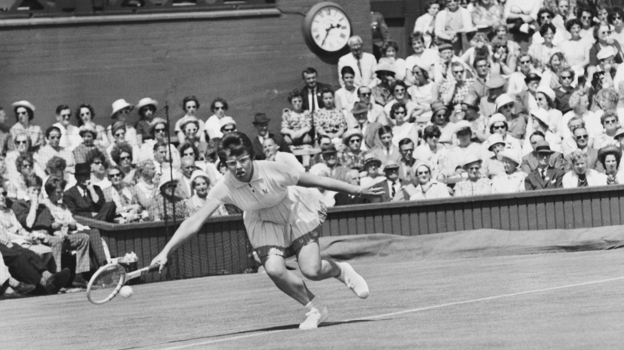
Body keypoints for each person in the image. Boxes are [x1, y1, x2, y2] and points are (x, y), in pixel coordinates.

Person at [150, 132, 380, 330]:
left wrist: (358, 188)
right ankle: (315, 309)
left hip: (293, 210)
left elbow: (317, 179)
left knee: (312, 270)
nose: (239, 167)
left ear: (251, 156)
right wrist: (165, 252)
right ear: (224, 165)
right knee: (274, 269)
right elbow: (194, 221)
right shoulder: (224, 186)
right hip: (262, 222)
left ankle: (341, 270)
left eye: (243, 160)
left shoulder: (274, 170)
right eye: (232, 163)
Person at [12, 175, 91, 278]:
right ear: (26, 189)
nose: (36, 193)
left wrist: (61, 232)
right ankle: (56, 276)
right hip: (35, 237)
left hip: (51, 236)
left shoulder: (43, 207)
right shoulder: (19, 204)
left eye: (38, 190)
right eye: (33, 189)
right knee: (56, 241)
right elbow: (29, 224)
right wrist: (34, 204)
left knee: (84, 238)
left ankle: (79, 275)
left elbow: (51, 227)